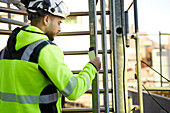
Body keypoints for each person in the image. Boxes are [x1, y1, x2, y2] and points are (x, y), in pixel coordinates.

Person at [0, 0, 101, 113]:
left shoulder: (4, 52)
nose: (60, 29)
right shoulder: (46, 50)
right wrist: (92, 67)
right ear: (46, 19)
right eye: (59, 22)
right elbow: (73, 90)